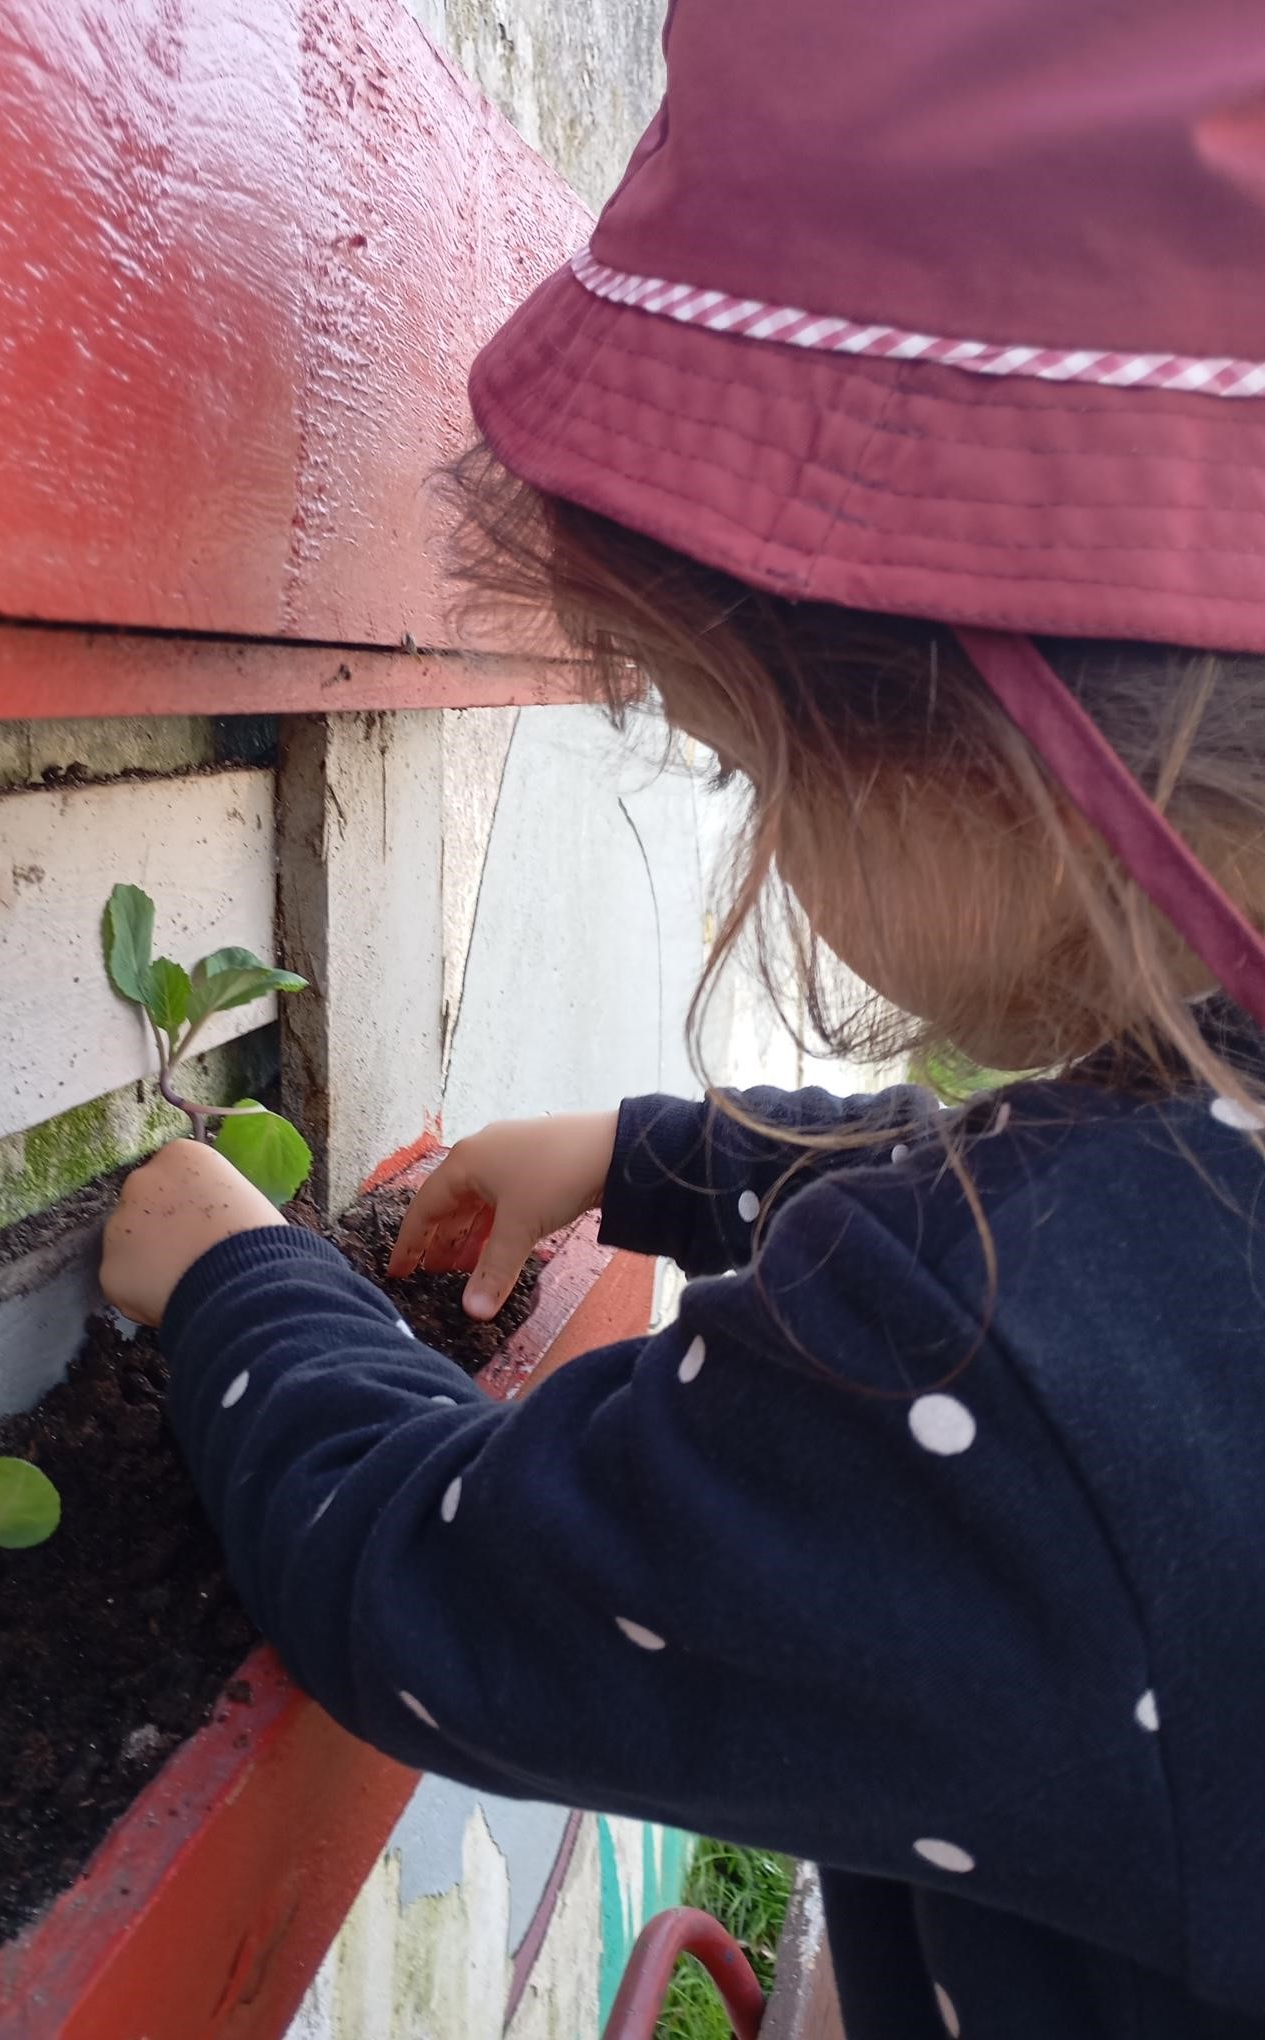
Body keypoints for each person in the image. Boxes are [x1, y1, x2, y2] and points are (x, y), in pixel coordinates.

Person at [99, 2, 1265, 2032]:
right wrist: (655, 1158)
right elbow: (1103, 1212)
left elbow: (436, 1580)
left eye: (748, 759)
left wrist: (233, 1281)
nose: (754, 825)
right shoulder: (1161, 1260)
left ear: (1005, 761)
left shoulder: (1007, 1372)